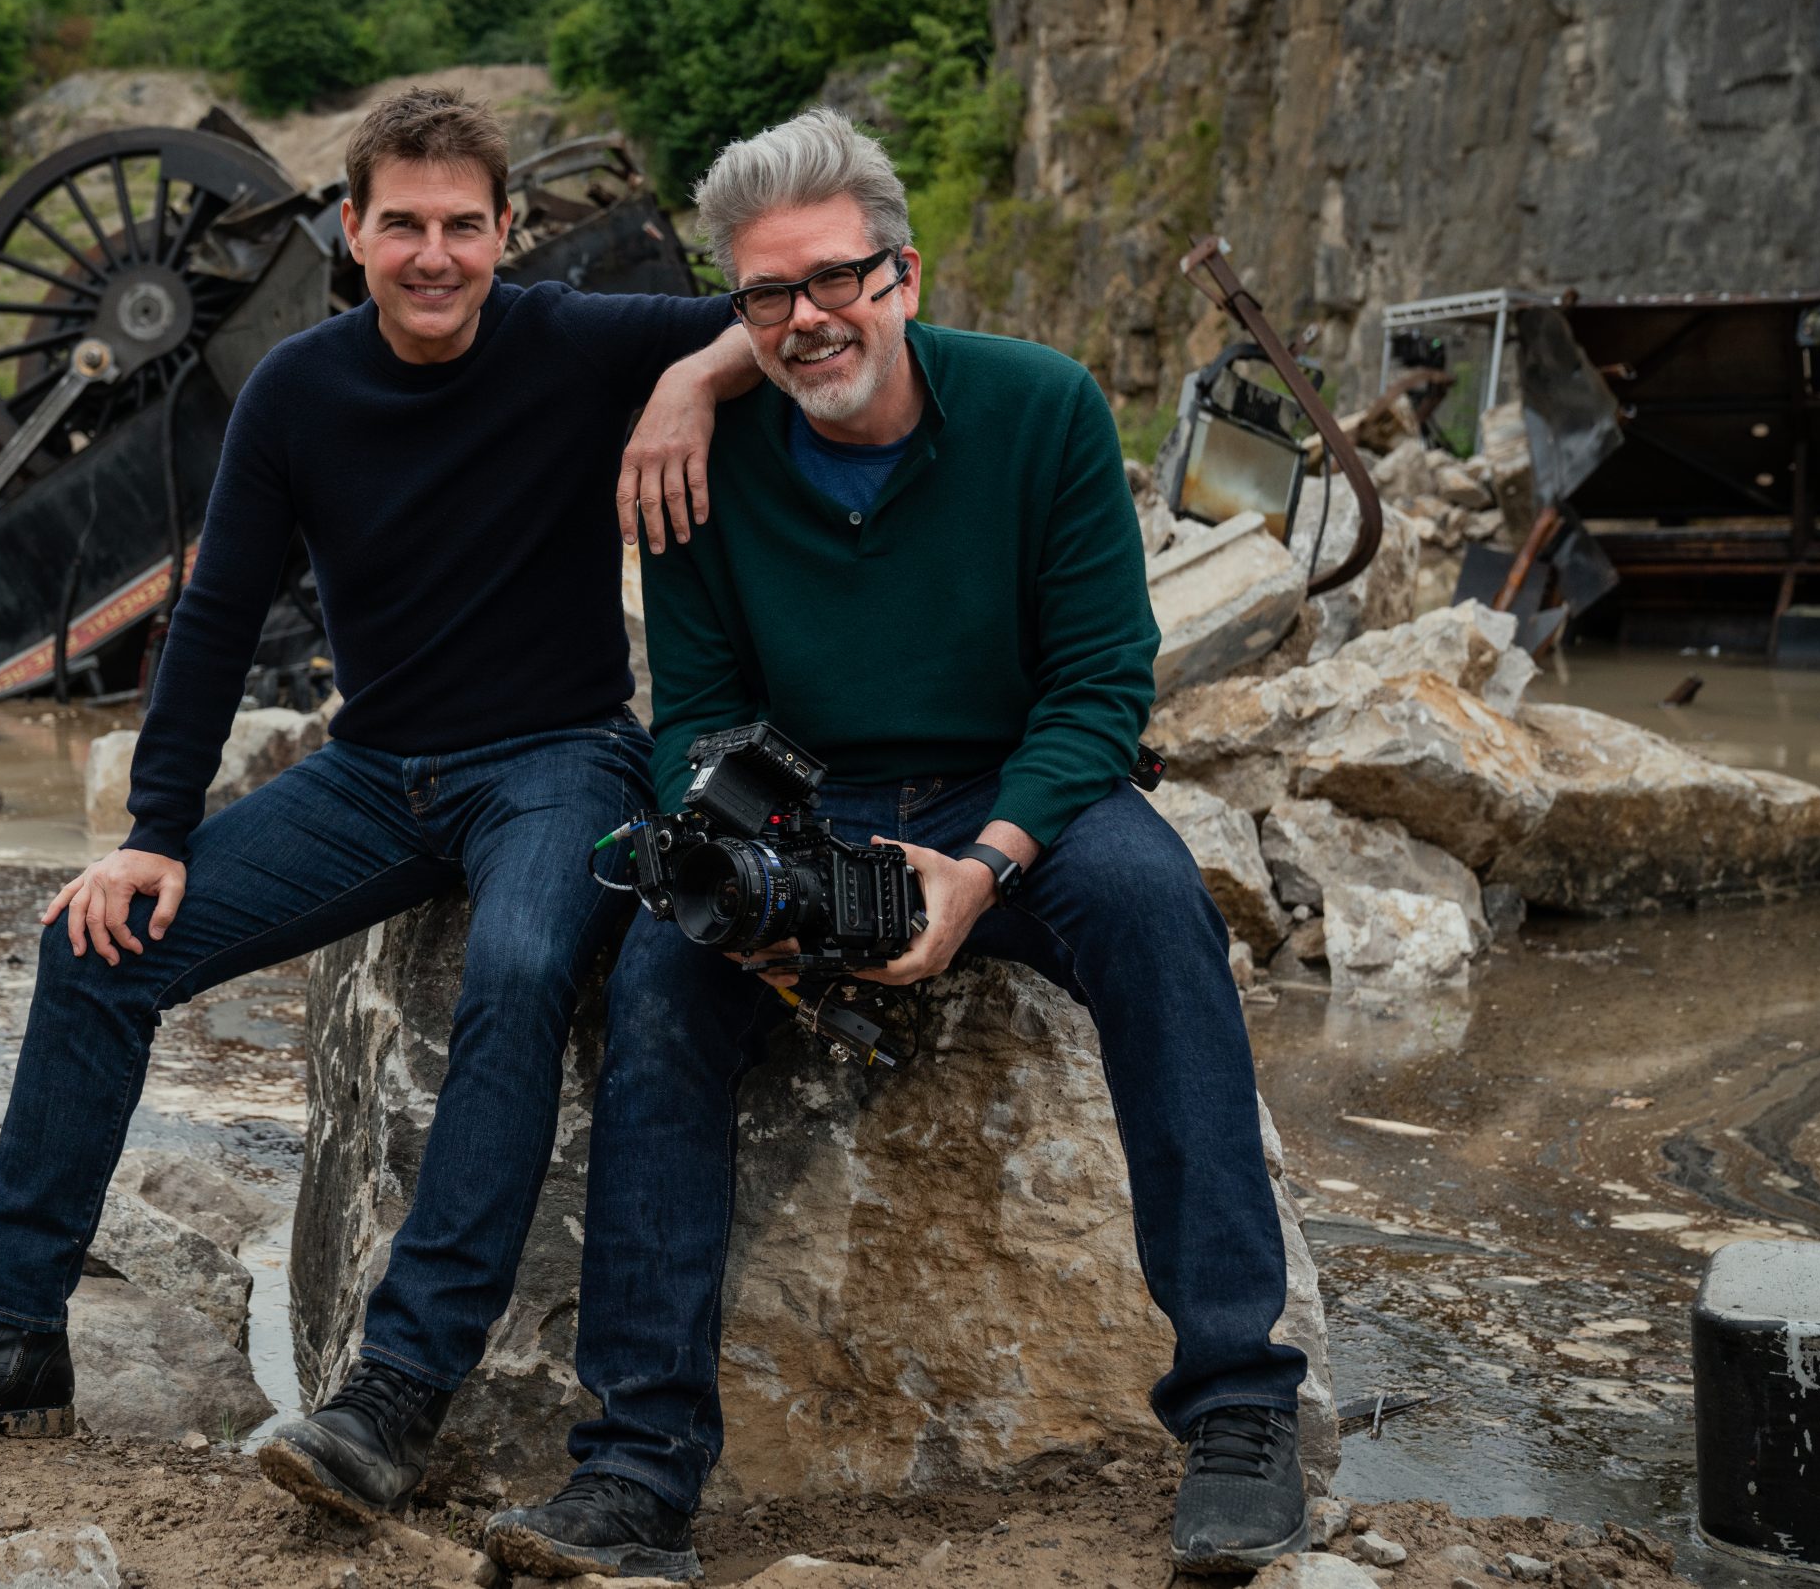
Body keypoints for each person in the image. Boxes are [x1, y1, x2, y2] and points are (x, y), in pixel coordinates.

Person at [0, 88, 754, 1525]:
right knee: (94, 948)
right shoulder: (299, 392)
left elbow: (795, 309)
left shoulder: (573, 337)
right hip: (374, 775)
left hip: (559, 761)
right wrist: (152, 834)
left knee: (518, 971)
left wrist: (692, 377)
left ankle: (396, 1396)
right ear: (353, 231)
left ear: (506, 231)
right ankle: (8, 1333)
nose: (433, 254)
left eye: (461, 226)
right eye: (402, 226)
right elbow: (212, 619)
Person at [480, 109, 1310, 1585]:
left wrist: (983, 862)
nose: (804, 323)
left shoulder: (1044, 409)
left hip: (1021, 794)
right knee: (667, 986)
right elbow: (698, 717)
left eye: (835, 281)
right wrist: (757, 874)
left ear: (904, 275)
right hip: (813, 804)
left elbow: (1102, 686)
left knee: (1157, 912)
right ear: (736, 315)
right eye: (763, 299)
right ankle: (636, 1474)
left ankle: (1240, 1409)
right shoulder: (700, 461)